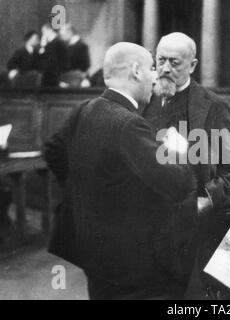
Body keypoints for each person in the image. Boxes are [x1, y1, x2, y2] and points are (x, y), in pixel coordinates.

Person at [44, 42, 196, 300]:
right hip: (132, 266)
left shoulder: (86, 108)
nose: (156, 78)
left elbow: (54, 151)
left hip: (94, 254)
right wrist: (177, 149)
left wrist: (85, 194)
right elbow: (179, 184)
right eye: (151, 69)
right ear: (136, 71)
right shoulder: (128, 124)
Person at [142, 32, 230, 299]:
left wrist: (205, 200)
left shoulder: (214, 106)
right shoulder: (143, 101)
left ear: (193, 65)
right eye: (160, 59)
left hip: (194, 224)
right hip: (150, 222)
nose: (165, 68)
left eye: (174, 62)